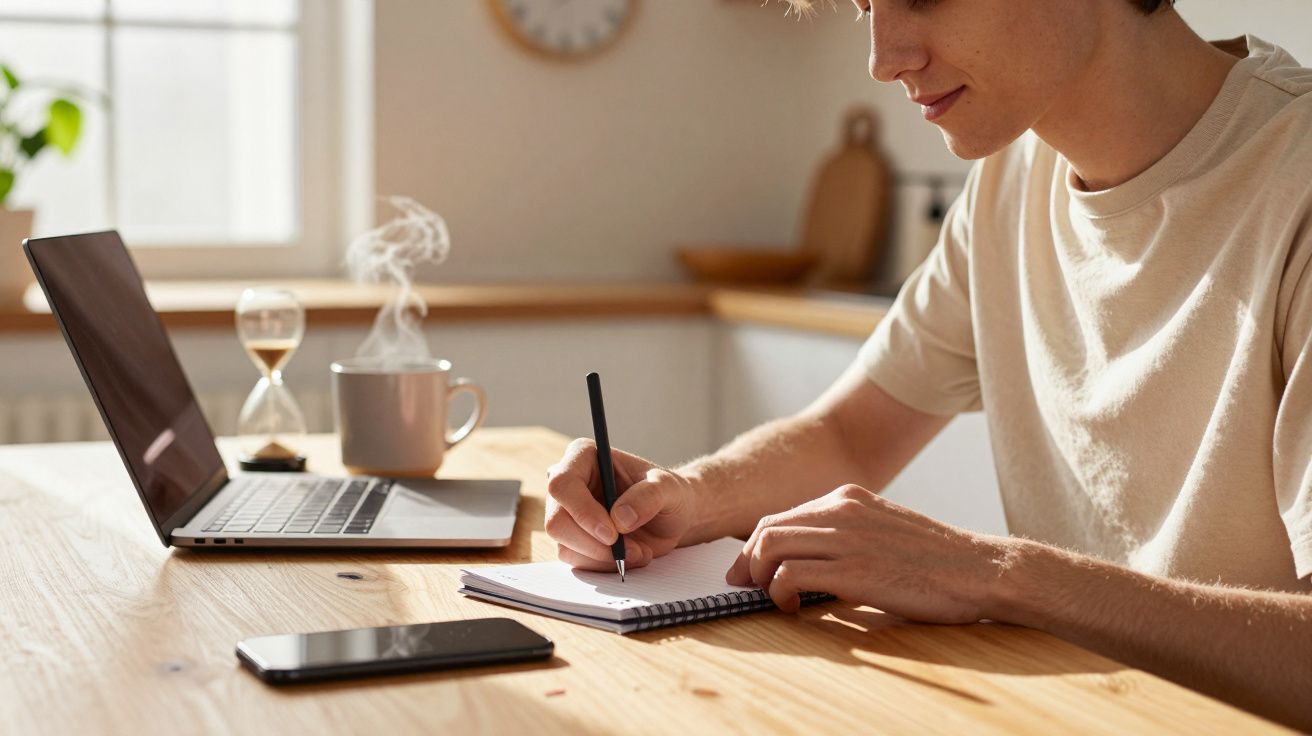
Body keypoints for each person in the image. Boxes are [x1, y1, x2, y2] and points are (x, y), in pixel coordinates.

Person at [544, 0, 1312, 728]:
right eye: (864, 9)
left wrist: (993, 575)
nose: (883, 60)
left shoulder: (1296, 181)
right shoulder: (1013, 180)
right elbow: (854, 434)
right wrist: (686, 499)